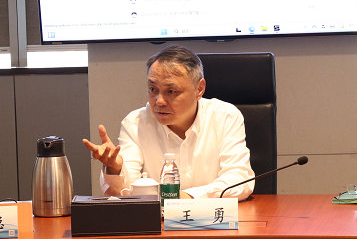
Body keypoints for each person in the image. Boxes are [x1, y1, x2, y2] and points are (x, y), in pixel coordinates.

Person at [83, 45, 254, 199]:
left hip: (214, 220)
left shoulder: (225, 117)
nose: (159, 101)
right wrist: (115, 168)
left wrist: (187, 197)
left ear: (199, 89)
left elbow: (239, 178)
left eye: (171, 91)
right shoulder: (135, 124)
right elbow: (127, 193)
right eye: (153, 89)